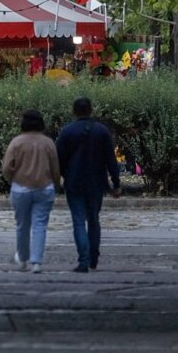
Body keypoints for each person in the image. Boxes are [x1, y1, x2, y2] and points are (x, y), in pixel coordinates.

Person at [56, 97, 121, 273]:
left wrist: (62, 176)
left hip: (74, 181)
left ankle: (83, 260)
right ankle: (93, 255)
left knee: (78, 220)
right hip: (96, 181)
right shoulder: (102, 131)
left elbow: (58, 158)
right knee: (93, 219)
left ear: (74, 111)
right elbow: (110, 159)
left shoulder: (67, 132)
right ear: (91, 110)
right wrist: (116, 183)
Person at [1, 109, 61, 274]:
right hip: (44, 188)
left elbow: (7, 167)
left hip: (20, 188)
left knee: (22, 225)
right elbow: (56, 168)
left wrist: (11, 179)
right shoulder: (48, 143)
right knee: (40, 225)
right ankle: (37, 262)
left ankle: (22, 259)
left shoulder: (17, 142)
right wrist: (56, 184)